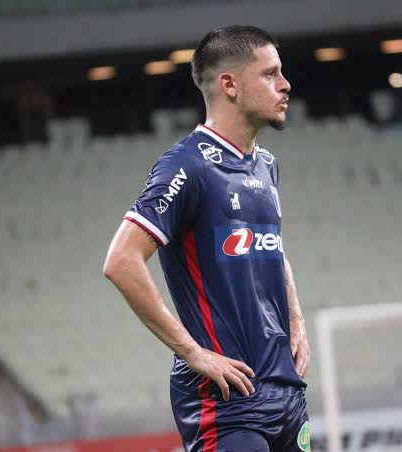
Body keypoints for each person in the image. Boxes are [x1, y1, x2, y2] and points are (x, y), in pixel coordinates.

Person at [103, 25, 310, 452]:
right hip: (227, 400)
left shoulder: (266, 165)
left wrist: (296, 318)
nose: (286, 84)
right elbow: (121, 260)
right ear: (229, 84)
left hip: (285, 392)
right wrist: (194, 353)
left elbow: (271, 248)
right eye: (270, 73)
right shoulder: (188, 165)